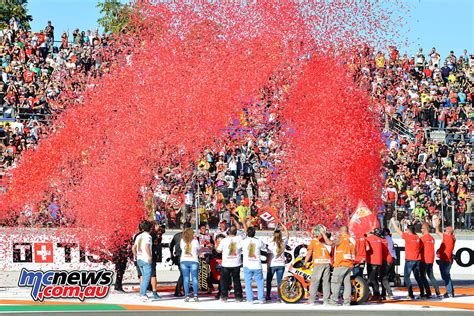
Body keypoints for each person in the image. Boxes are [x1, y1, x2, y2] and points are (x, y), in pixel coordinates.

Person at [391, 217, 424, 299]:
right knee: (417, 277)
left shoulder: (408, 237)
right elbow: (421, 247)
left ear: (409, 231)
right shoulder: (417, 237)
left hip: (410, 259)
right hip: (417, 259)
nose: (405, 231)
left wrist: (393, 222)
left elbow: (398, 231)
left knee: (406, 277)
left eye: (406, 230)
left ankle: (410, 294)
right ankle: (422, 292)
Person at [324, 226, 355, 306]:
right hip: (349, 264)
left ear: (341, 231)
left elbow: (330, 243)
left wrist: (323, 234)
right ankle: (347, 302)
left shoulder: (341, 238)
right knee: (347, 284)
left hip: (341, 263)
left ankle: (333, 301)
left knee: (335, 282)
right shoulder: (352, 239)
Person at [303, 224, 331, 305]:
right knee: (326, 282)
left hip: (319, 263)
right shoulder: (327, 241)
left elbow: (309, 253)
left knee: (315, 282)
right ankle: (326, 301)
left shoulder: (314, 241)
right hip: (327, 263)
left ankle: (311, 300)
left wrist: (305, 262)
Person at [216, 225, 244, 302]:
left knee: (224, 281)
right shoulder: (239, 239)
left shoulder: (224, 240)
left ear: (228, 232)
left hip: (226, 263)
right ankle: (238, 297)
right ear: (235, 232)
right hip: (236, 263)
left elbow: (218, 250)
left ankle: (224, 296)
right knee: (236, 280)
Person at [241, 226, 266, 304]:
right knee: (260, 282)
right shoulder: (258, 241)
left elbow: (238, 247)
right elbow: (264, 246)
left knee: (248, 283)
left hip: (247, 265)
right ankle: (261, 299)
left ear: (247, 233)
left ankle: (250, 299)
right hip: (257, 265)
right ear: (255, 233)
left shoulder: (243, 241)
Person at [266, 223, 289, 302]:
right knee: (279, 282)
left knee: (269, 281)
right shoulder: (283, 242)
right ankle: (279, 297)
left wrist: (268, 265)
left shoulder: (271, 243)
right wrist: (284, 227)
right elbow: (287, 235)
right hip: (281, 264)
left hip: (272, 264)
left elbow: (269, 255)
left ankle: (268, 295)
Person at [434, 218, 456, 298]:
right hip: (447, 259)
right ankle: (450, 291)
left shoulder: (447, 237)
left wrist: (437, 224)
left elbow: (437, 231)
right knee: (447, 276)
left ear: (449, 232)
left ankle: (449, 292)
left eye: (445, 230)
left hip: (445, 260)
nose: (444, 232)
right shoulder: (452, 238)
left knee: (445, 276)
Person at [132, 220, 153, 302]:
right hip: (145, 258)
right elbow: (147, 246)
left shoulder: (139, 236)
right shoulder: (148, 236)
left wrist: (136, 255)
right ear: (150, 228)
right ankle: (143, 294)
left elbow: (133, 248)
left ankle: (142, 293)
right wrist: (150, 256)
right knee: (147, 278)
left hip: (139, 259)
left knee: (144, 277)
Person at [170, 222, 192, 297]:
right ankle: (178, 290)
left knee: (184, 274)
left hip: (180, 256)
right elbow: (171, 245)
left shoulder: (177, 235)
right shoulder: (182, 236)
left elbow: (171, 245)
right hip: (181, 256)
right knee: (183, 274)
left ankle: (181, 290)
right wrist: (172, 255)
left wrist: (171, 254)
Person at [419, 223, 441, 299]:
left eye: (422, 228)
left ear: (425, 229)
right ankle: (438, 292)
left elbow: (419, 249)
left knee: (423, 276)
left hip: (424, 259)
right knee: (431, 276)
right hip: (430, 260)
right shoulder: (432, 238)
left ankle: (428, 292)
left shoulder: (422, 238)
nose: (421, 229)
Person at [180, 228, 201, 302]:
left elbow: (181, 248)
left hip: (184, 260)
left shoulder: (182, 241)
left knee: (186, 278)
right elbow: (199, 248)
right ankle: (195, 295)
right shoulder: (195, 241)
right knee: (195, 278)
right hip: (193, 260)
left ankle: (187, 295)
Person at [366, 229, 383, 300]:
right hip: (379, 261)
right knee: (374, 278)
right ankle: (376, 294)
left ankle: (376, 294)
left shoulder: (367, 239)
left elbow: (367, 249)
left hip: (372, 261)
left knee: (372, 279)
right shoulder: (379, 239)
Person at [381, 228, 396, 299]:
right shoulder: (389, 238)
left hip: (387, 259)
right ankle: (384, 293)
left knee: (384, 278)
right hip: (391, 258)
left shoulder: (386, 239)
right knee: (384, 277)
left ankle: (389, 293)